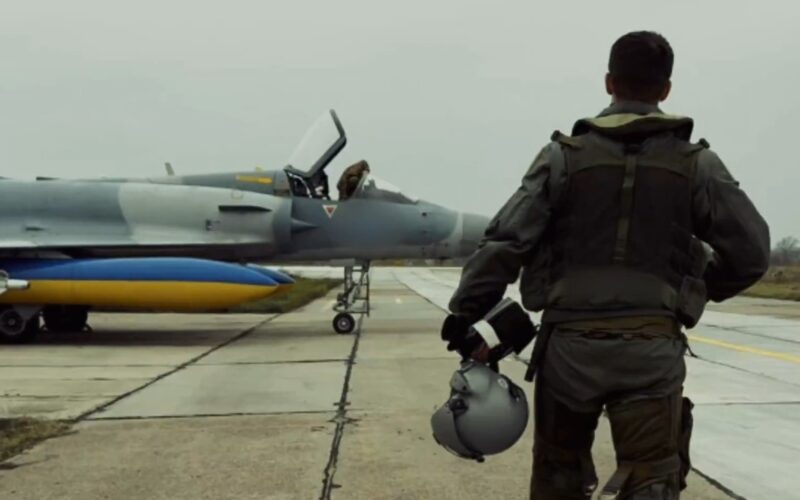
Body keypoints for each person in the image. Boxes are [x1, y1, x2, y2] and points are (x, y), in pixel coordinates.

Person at [441, 31, 770, 499]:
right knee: (651, 481)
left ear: (609, 81)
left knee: (558, 477)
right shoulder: (699, 165)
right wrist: (695, 291)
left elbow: (507, 241)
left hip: (569, 352)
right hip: (651, 353)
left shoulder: (561, 158)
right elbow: (752, 252)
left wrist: (466, 310)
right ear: (666, 89)